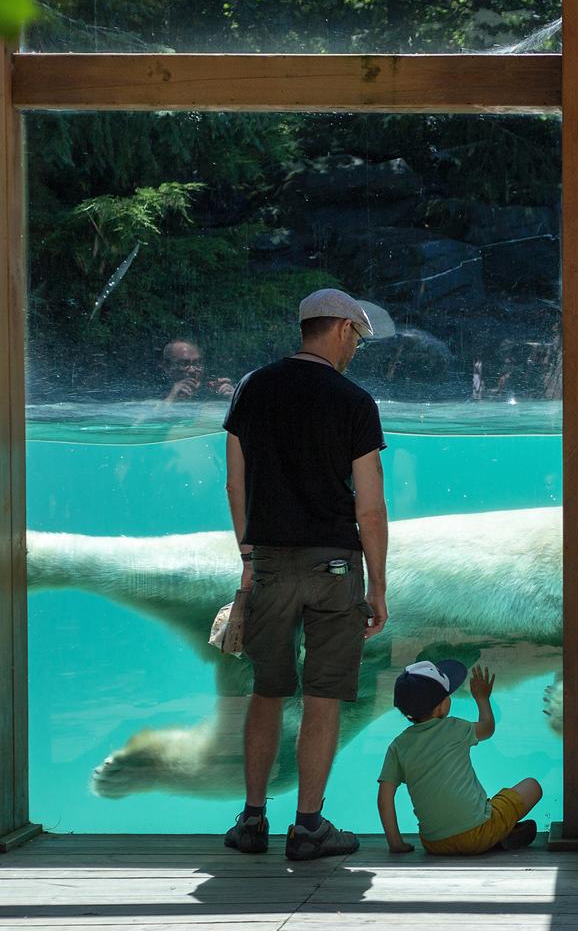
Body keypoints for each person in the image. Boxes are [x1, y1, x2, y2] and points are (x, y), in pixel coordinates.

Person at [221, 289, 391, 862]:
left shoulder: (253, 389)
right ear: (342, 329)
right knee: (323, 697)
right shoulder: (353, 401)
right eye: (358, 341)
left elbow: (235, 484)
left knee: (267, 691)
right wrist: (378, 585)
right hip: (334, 567)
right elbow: (369, 507)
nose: (356, 352)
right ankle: (310, 826)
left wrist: (249, 563)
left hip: (268, 563)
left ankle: (251, 820)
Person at [377, 658, 542, 856]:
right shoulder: (455, 728)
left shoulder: (397, 746)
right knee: (532, 786)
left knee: (481, 809)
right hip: (478, 832)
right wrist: (482, 698)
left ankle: (499, 835)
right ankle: (497, 836)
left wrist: (396, 844)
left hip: (434, 843)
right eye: (448, 694)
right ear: (439, 707)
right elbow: (488, 728)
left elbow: (384, 798)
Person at [160, 339, 235, 404]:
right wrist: (170, 400)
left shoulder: (211, 393)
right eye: (183, 364)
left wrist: (234, 398)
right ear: (167, 367)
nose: (192, 370)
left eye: (197, 363)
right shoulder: (154, 395)